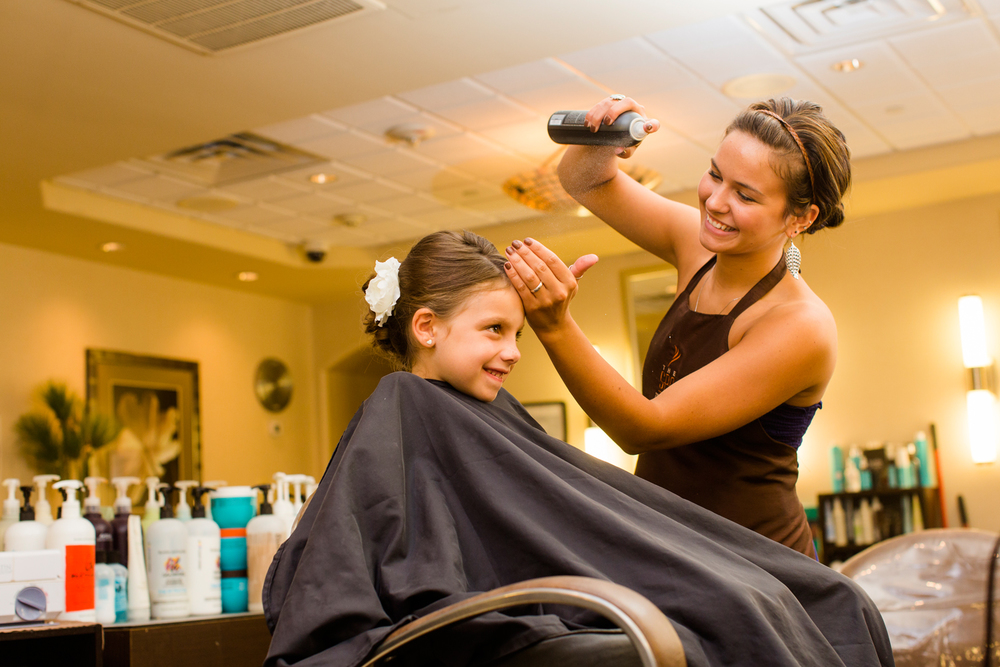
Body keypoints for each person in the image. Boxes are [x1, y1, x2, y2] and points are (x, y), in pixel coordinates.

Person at [263, 230, 892, 667]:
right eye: (494, 331)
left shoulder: (476, 413)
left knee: (816, 594)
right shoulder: (403, 407)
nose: (513, 351)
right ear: (426, 327)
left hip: (583, 580)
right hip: (541, 601)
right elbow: (402, 564)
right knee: (742, 607)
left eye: (517, 332)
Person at [503, 96, 851, 558]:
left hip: (757, 569)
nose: (716, 201)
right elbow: (583, 179)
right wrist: (603, 140)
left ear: (800, 218)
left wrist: (555, 326)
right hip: (671, 547)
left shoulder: (799, 325)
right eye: (714, 175)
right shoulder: (696, 246)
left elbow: (645, 428)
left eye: (745, 195)